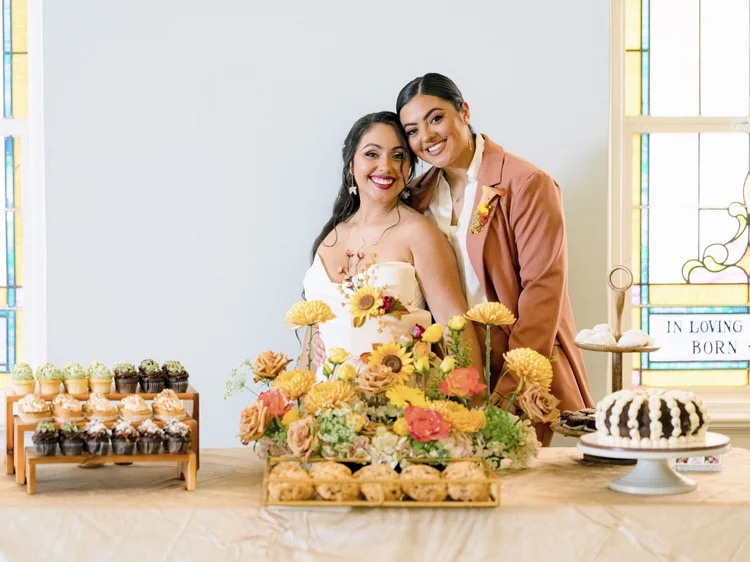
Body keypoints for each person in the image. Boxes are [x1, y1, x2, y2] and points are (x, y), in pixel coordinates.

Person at [396, 73, 594, 445]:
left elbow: (543, 288)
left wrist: (513, 383)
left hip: (519, 358)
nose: (427, 136)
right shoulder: (417, 196)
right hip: (449, 365)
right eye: (412, 130)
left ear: (464, 111)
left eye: (436, 118)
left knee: (521, 486)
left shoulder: (526, 182)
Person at [302, 111, 483, 378]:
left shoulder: (419, 234)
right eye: (372, 154)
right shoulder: (330, 238)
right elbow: (310, 341)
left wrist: (475, 409)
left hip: (399, 406)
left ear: (410, 168)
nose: (386, 167)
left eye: (398, 156)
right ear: (351, 165)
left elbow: (455, 328)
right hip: (326, 408)